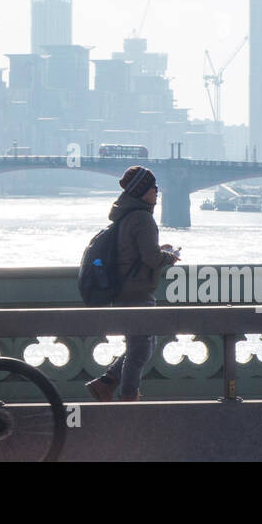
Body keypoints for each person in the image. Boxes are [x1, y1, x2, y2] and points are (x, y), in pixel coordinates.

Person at [85, 166, 180, 402]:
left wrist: (160, 251)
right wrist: (170, 256)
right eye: (152, 187)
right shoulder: (142, 218)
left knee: (144, 343)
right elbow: (150, 258)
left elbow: (136, 253)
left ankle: (106, 382)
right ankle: (129, 398)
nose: (157, 190)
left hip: (124, 290)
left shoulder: (126, 215)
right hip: (136, 291)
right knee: (140, 350)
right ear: (141, 191)